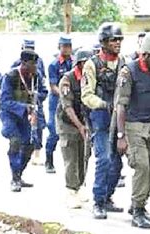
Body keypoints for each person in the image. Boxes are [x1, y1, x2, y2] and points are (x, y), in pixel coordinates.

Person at [115, 33, 150, 229]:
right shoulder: (128, 72)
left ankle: (140, 203)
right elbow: (121, 105)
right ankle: (137, 210)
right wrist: (121, 136)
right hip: (134, 125)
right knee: (142, 166)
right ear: (144, 54)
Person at [81, 22, 125, 219]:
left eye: (119, 39)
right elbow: (86, 95)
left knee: (117, 163)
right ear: (103, 42)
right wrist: (104, 104)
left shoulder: (123, 62)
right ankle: (98, 201)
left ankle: (107, 197)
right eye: (113, 40)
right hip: (101, 117)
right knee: (104, 159)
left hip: (120, 117)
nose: (117, 43)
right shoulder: (92, 65)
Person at [0, 50, 48, 192]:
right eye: (33, 64)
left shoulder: (36, 76)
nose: (36, 67)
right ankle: (15, 178)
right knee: (15, 141)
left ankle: (18, 173)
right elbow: (5, 102)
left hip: (27, 114)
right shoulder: (11, 76)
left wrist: (36, 97)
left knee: (31, 143)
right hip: (9, 114)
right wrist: (24, 107)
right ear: (24, 63)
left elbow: (44, 92)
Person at [57, 48, 93, 208]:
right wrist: (79, 126)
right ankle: (71, 191)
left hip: (85, 121)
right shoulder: (67, 80)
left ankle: (80, 185)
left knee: (85, 154)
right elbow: (67, 106)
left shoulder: (92, 77)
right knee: (71, 155)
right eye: (84, 63)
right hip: (68, 122)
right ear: (78, 64)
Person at [11, 39, 47, 166]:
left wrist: (38, 98)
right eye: (28, 47)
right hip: (20, 103)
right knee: (19, 131)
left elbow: (42, 83)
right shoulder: (16, 66)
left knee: (39, 126)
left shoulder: (39, 62)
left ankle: (36, 154)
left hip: (35, 100)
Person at [46, 35, 73, 174]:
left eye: (69, 46)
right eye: (64, 46)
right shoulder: (54, 64)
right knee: (54, 131)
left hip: (71, 102)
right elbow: (53, 86)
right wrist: (65, 94)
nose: (67, 49)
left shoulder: (74, 62)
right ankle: (48, 160)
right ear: (59, 47)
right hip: (56, 102)